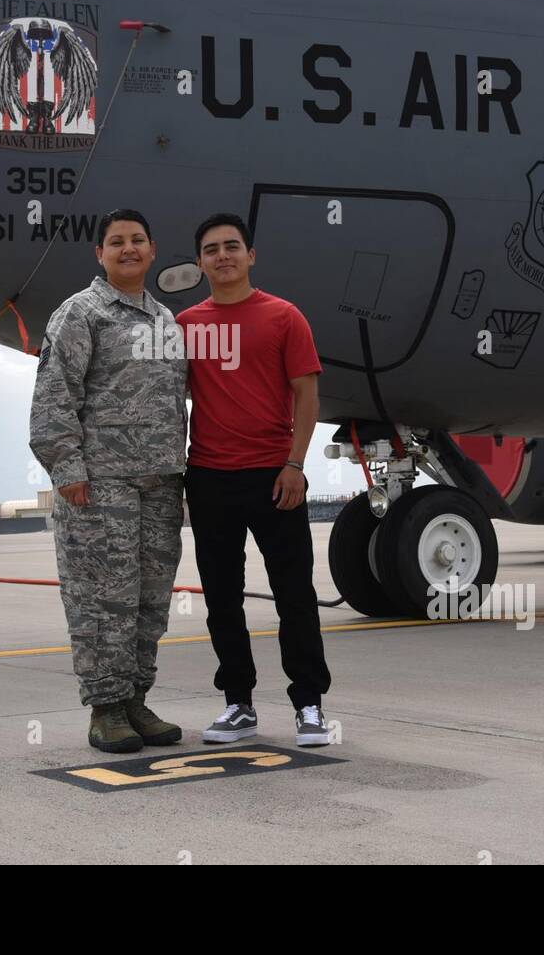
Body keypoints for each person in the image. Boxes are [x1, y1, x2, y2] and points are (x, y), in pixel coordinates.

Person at [29, 209, 188, 753]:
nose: (128, 249)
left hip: (161, 486)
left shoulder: (166, 320)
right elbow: (54, 397)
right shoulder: (81, 313)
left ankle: (135, 699)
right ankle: (105, 709)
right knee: (103, 597)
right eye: (116, 241)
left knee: (148, 600)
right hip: (101, 487)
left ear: (152, 249)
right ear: (99, 253)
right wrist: (68, 471)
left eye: (137, 240)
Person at [176, 213, 333, 747]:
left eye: (232, 246)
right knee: (222, 599)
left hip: (274, 476)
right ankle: (238, 704)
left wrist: (295, 464)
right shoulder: (185, 325)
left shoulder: (285, 317)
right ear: (199, 263)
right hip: (210, 478)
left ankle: (309, 705)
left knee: (295, 596)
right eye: (212, 249)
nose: (223, 256)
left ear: (251, 255)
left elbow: (307, 395)